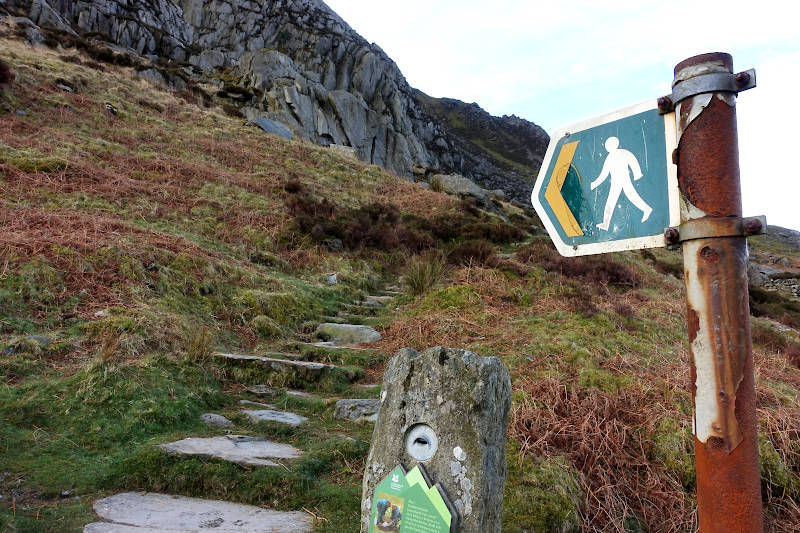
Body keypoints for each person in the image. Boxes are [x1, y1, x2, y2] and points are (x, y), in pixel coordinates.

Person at [590, 136, 653, 231]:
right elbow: (604, 173)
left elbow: (633, 160)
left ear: (614, 144)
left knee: (631, 197)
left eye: (609, 145)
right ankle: (606, 224)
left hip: (624, 180)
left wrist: (637, 174)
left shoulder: (623, 153)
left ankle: (647, 209)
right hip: (616, 182)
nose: (607, 147)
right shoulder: (609, 158)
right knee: (612, 201)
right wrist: (595, 183)